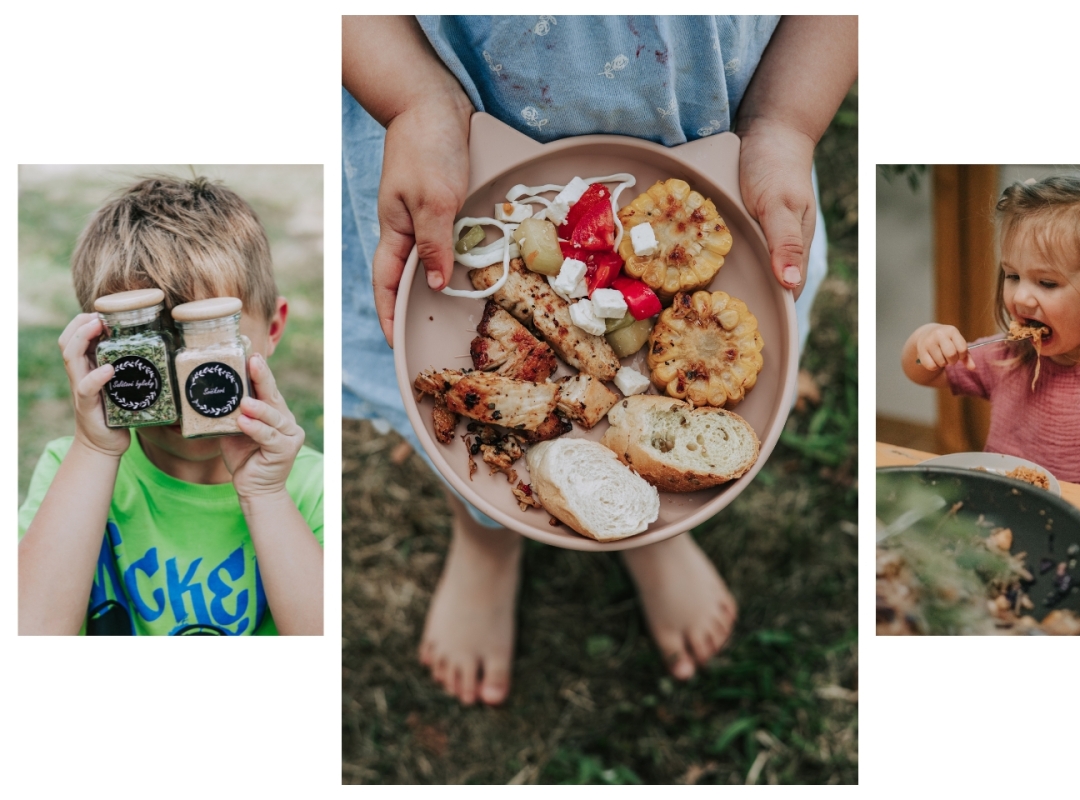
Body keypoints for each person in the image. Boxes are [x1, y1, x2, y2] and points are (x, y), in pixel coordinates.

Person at [342, 15, 857, 704]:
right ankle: (487, 535)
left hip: (717, 132)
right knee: (453, 420)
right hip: (442, 127)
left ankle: (646, 523)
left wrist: (785, 124)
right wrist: (413, 102)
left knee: (637, 463)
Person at [18, 176, 324, 636]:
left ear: (274, 329)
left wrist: (265, 495)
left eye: (212, 335)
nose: (181, 385)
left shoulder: (307, 485)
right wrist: (96, 451)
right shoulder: (71, 468)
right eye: (151, 354)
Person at [901, 175, 1080, 503]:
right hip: (1008, 519)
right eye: (1013, 276)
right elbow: (921, 371)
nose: (1020, 297)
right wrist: (927, 339)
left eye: (1046, 283)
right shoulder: (1008, 356)